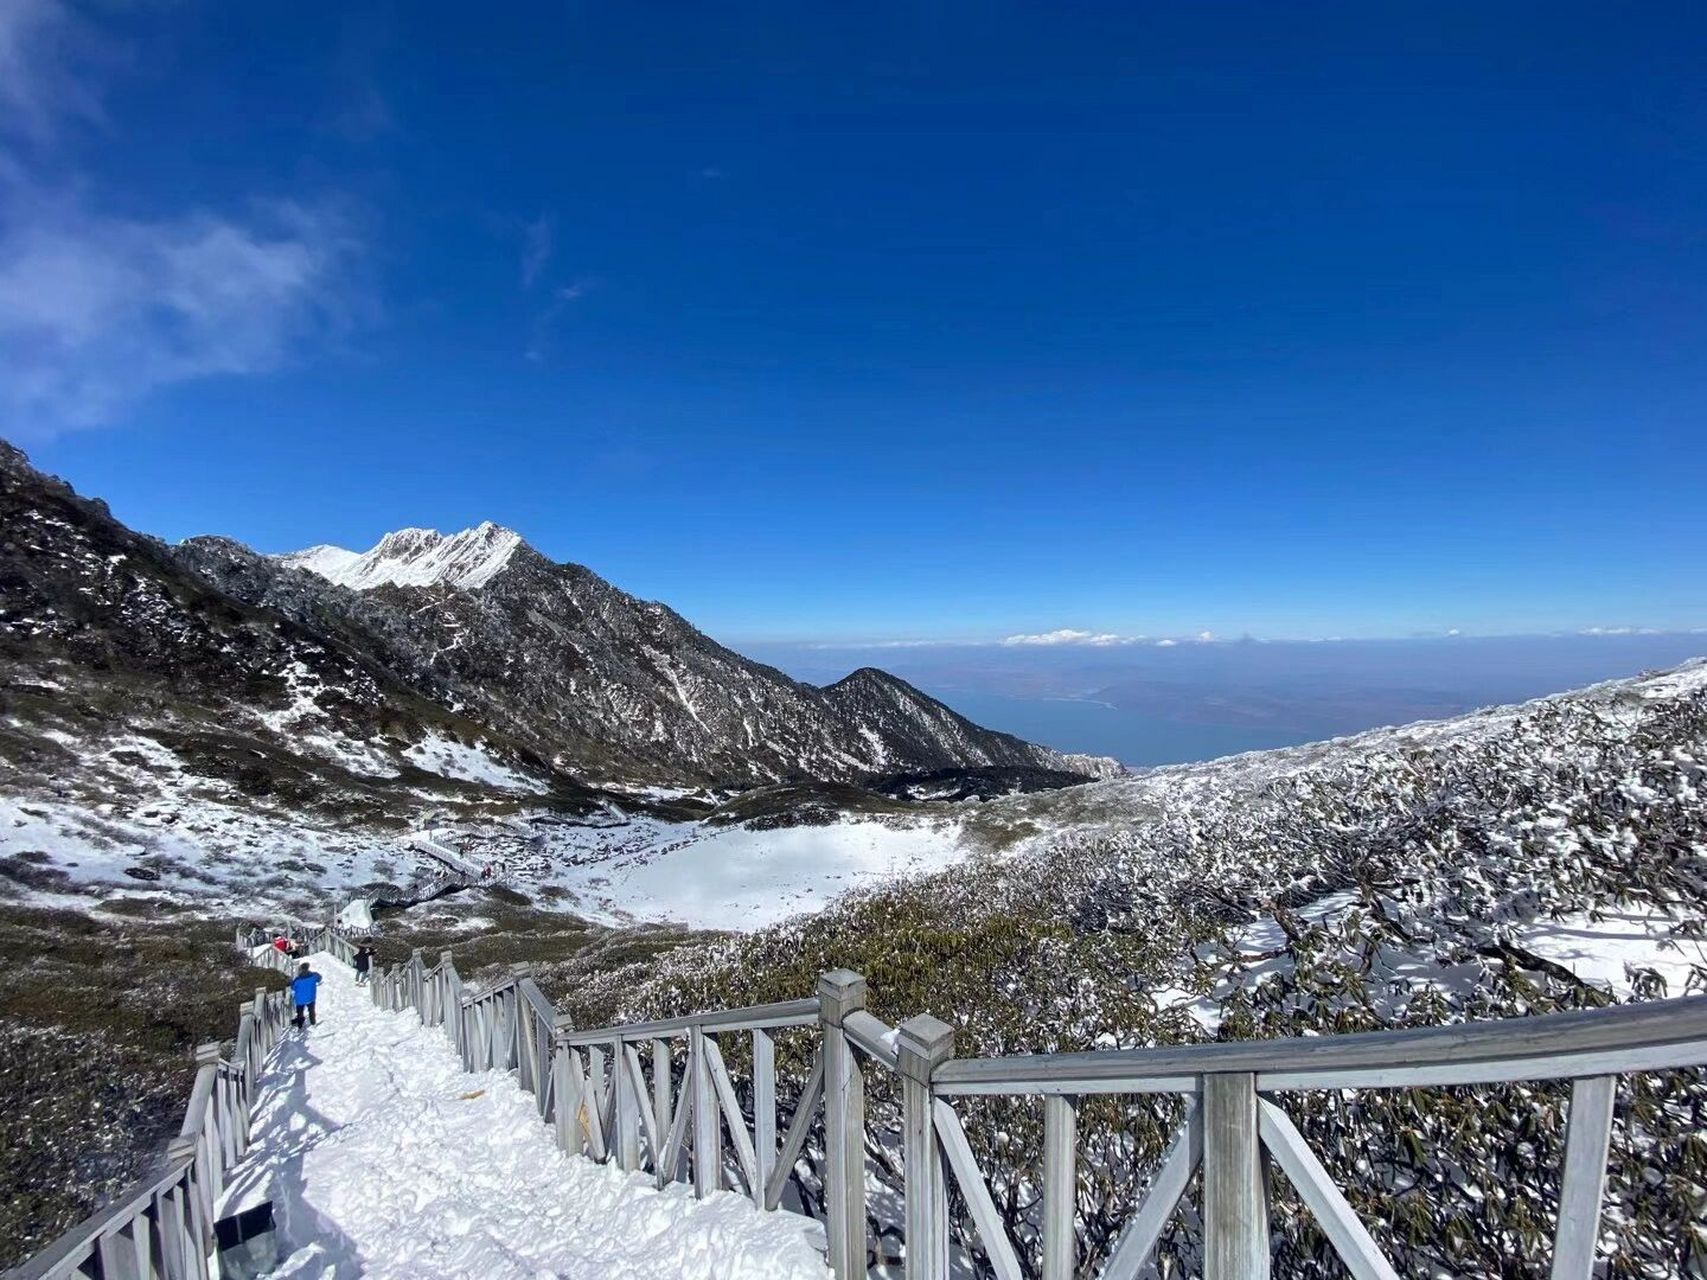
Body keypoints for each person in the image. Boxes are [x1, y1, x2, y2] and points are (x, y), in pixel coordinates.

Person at [291, 961, 322, 1030]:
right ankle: (313, 1022)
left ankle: (300, 1025)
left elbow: (293, 987)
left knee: (300, 1012)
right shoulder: (314, 976)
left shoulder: (298, 980)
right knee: (311, 1010)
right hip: (311, 998)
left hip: (300, 1000)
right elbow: (319, 978)